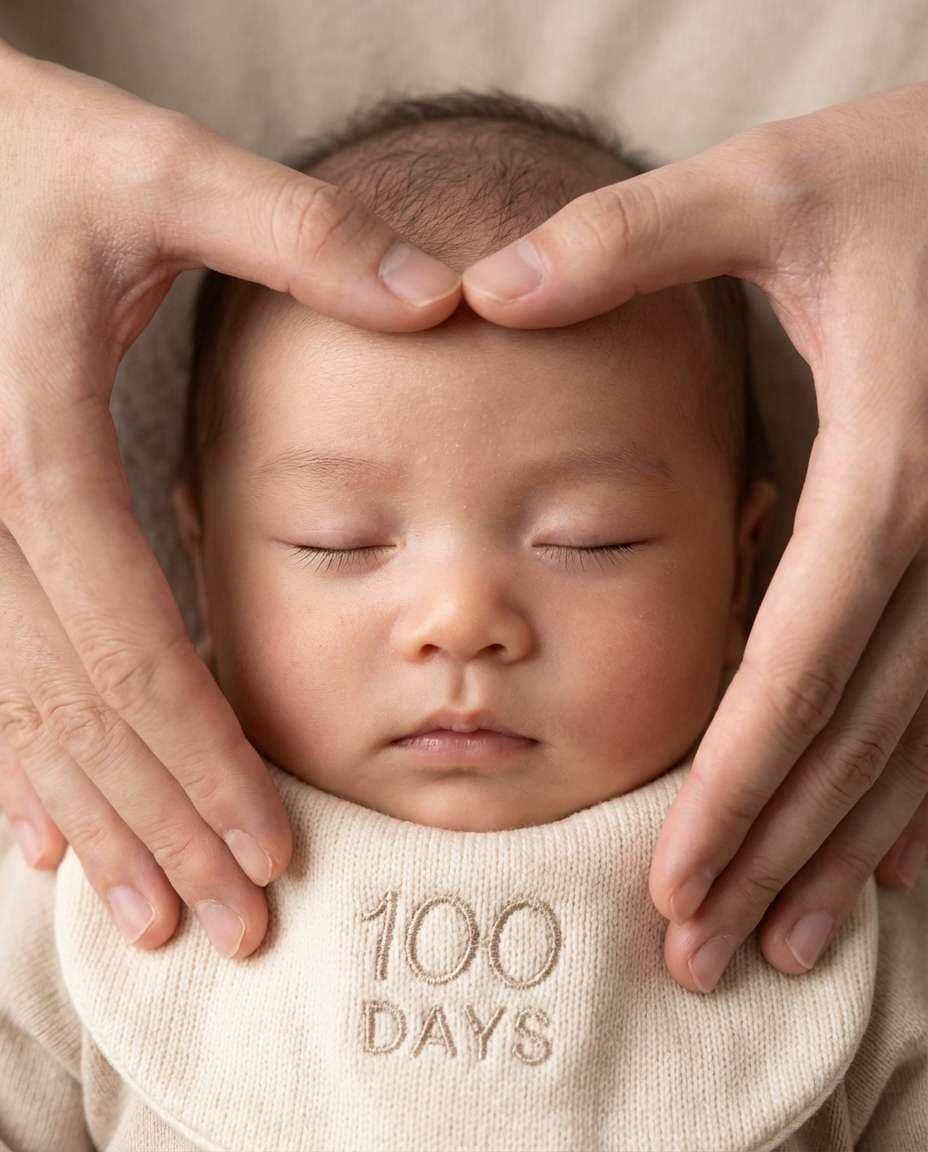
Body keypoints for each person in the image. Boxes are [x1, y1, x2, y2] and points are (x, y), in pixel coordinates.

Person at [1, 90, 925, 1152]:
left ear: (746, 573)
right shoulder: (104, 865)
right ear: (193, 573)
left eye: (591, 539)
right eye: (337, 538)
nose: (461, 622)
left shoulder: (839, 859)